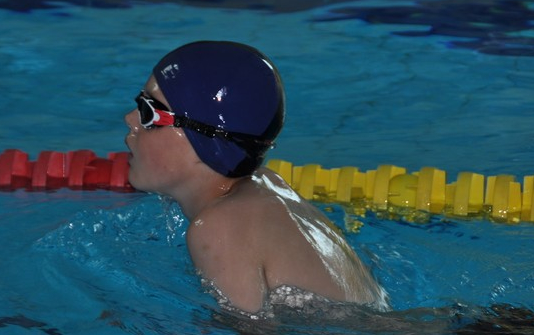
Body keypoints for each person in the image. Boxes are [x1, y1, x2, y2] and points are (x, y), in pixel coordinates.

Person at [124, 41, 388, 315]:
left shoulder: (219, 226)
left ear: (205, 141)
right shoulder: (268, 186)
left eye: (148, 112)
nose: (130, 119)